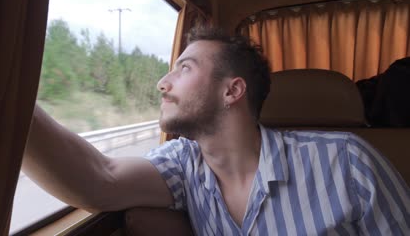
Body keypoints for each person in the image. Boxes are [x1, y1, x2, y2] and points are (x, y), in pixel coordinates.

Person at [23, 27, 410, 235]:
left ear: (232, 91)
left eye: (185, 68)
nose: (162, 82)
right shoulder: (182, 162)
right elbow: (99, 179)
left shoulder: (346, 161)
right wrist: (3, 92)